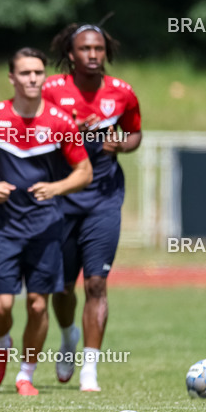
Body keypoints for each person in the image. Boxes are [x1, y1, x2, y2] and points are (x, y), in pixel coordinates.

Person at [0, 47, 91, 396]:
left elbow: (84, 172)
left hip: (46, 226)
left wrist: (57, 187)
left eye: (38, 72)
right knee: (0, 304)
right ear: (12, 77)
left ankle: (26, 375)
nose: (32, 78)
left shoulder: (60, 122)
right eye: (25, 73)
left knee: (38, 304)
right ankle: (2, 342)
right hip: (3, 227)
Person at [43, 24, 142, 392]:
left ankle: (90, 371)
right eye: (85, 48)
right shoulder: (51, 91)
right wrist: (70, 131)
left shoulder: (121, 93)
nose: (93, 54)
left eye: (99, 48)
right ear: (71, 55)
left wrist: (123, 145)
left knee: (97, 283)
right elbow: (35, 131)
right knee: (63, 288)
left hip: (103, 197)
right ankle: (68, 337)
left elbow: (134, 131)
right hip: (63, 196)